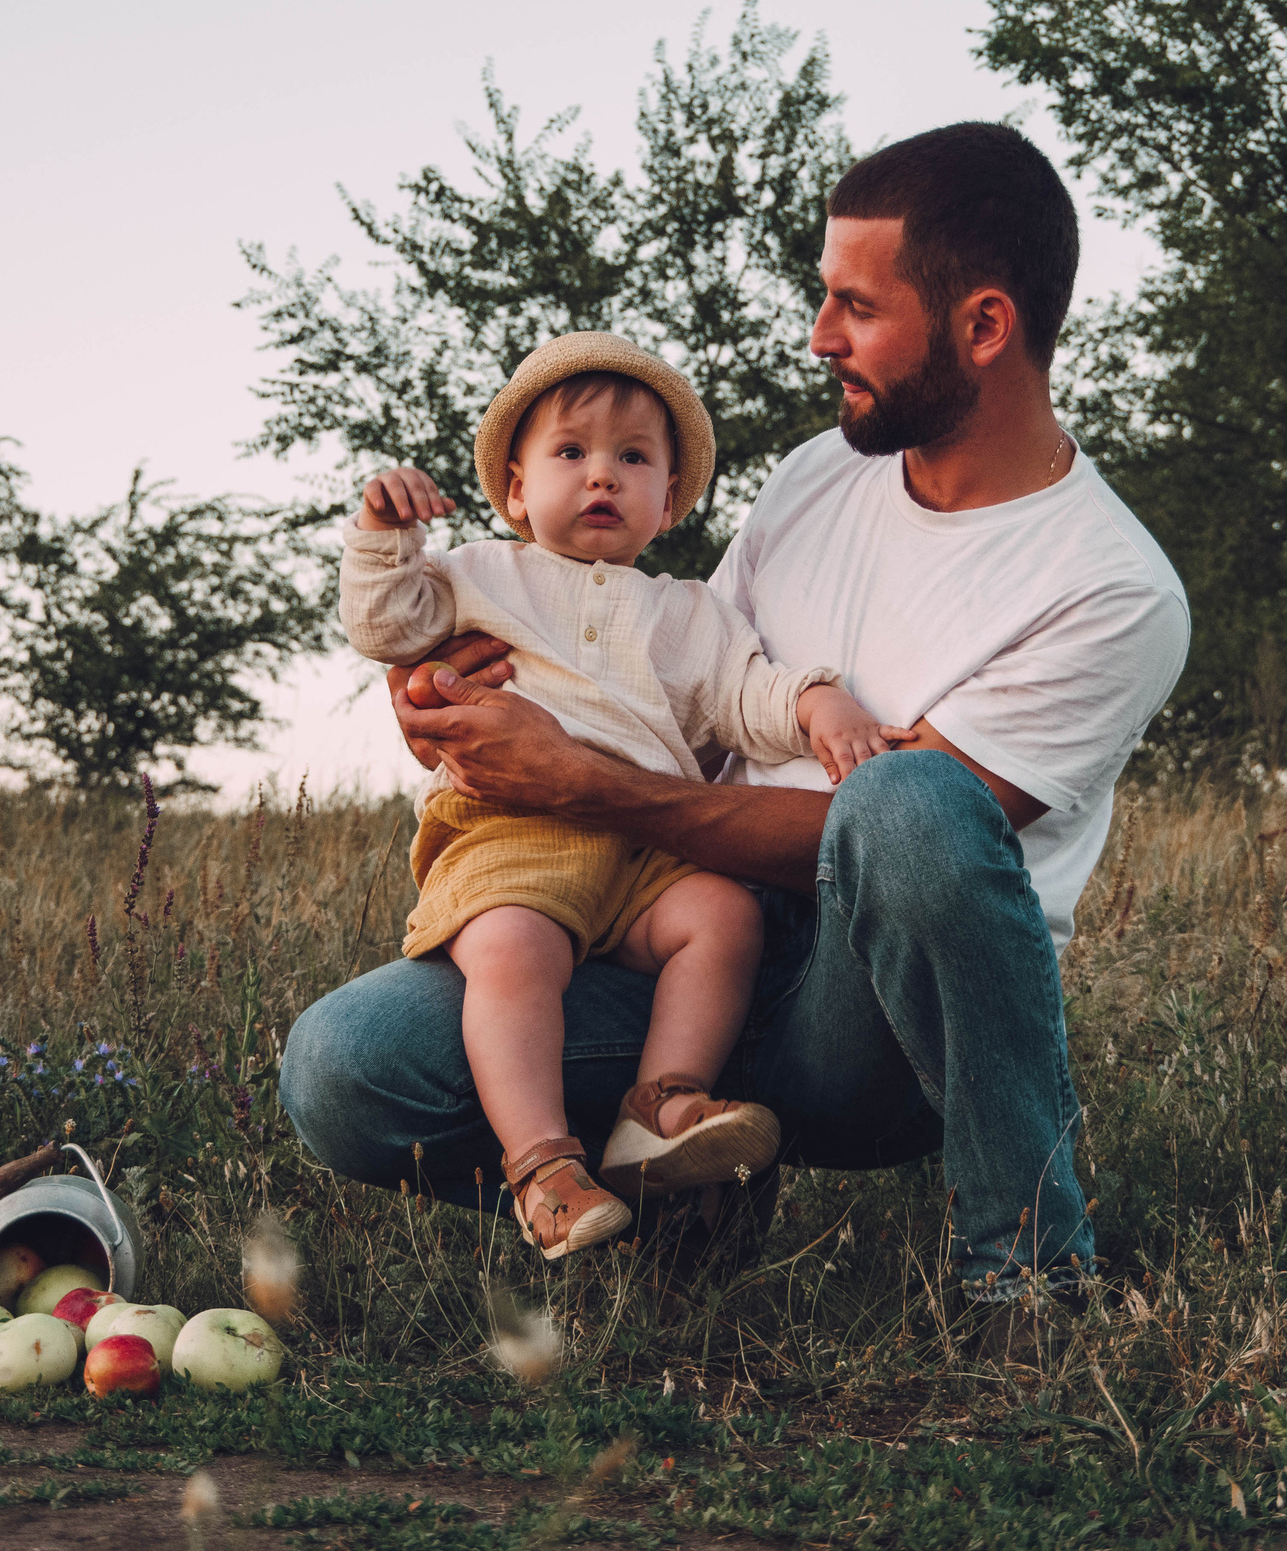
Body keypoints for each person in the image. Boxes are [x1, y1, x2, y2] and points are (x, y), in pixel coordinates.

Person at [284, 122, 1190, 1313]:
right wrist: (464, 704)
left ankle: (1027, 1270)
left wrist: (583, 783)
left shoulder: (1109, 587)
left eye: (854, 308)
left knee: (907, 795)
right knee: (346, 1069)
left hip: (869, 1024)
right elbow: (687, 692)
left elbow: (893, 852)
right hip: (669, 938)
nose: (821, 339)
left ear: (982, 326)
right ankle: (675, 1173)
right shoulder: (826, 471)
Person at [338, 331, 908, 1260]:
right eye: (571, 454)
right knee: (514, 949)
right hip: (510, 833)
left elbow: (745, 692)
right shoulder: (481, 573)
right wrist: (385, 532)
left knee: (722, 914)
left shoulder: (687, 612)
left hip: (646, 856)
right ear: (518, 490)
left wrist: (816, 702)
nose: (601, 476)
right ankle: (543, 1164)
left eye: (632, 459)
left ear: (669, 500)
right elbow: (386, 620)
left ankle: (661, 1105)